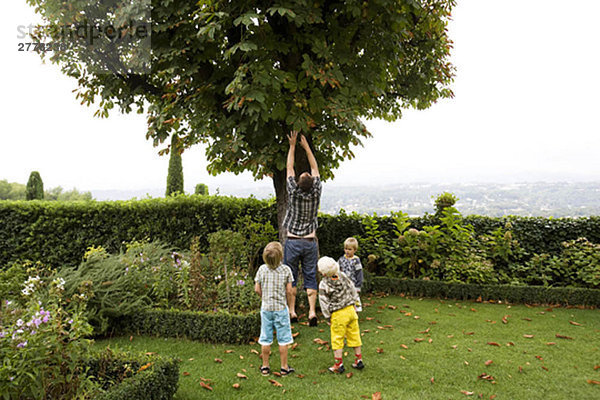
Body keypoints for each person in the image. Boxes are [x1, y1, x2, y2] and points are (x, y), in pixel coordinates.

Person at [283, 130, 322, 326]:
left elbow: (289, 167)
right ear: (312, 182)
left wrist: (292, 145)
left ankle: (292, 311)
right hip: (309, 241)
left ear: (298, 182)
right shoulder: (316, 192)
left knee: (291, 276)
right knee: (310, 276)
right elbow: (314, 167)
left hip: (292, 241)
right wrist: (307, 147)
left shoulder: (293, 191)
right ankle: (312, 312)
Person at [317, 256, 365, 374]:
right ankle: (359, 360)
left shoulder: (324, 284)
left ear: (322, 272)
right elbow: (352, 288)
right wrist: (355, 302)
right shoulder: (343, 276)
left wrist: (328, 317)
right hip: (351, 310)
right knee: (354, 335)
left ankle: (339, 364)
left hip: (338, 314)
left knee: (337, 338)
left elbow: (324, 303)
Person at [254, 242, 295, 376]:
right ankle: (284, 367)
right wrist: (289, 307)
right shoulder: (286, 270)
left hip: (266, 309)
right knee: (283, 339)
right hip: (280, 309)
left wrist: (264, 297)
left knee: (265, 337)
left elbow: (256, 289)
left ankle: (265, 366)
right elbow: (289, 291)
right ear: (281, 256)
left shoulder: (261, 269)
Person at [337, 237, 364, 312]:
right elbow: (337, 269)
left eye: (349, 249)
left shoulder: (356, 260)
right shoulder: (341, 259)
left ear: (355, 250)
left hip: (353, 284)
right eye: (346, 249)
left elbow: (359, 273)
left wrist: (358, 286)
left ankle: (356, 312)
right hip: (343, 284)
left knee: (355, 299)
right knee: (343, 299)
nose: (347, 251)